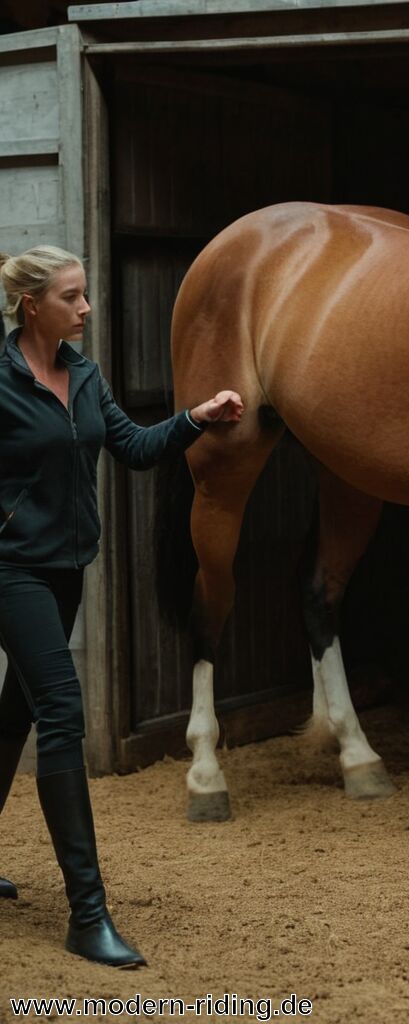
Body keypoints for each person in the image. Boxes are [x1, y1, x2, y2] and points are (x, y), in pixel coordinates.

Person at [0, 245, 243, 966]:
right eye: (72, 297)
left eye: (85, 294)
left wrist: (195, 418)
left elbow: (134, 448)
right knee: (63, 716)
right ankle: (87, 914)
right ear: (32, 305)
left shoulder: (83, 373)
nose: (86, 307)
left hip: (66, 570)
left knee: (17, 712)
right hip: (12, 571)